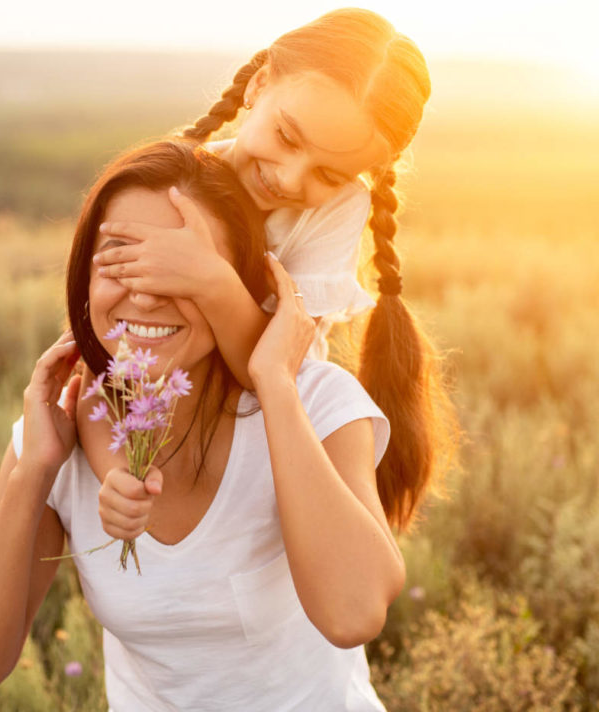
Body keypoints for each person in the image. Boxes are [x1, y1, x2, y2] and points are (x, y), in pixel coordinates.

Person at [0, 140, 451, 710]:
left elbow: (355, 613)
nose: (146, 294)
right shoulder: (57, 434)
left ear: (239, 286)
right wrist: (35, 472)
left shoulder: (315, 404)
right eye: (121, 258)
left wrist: (274, 383)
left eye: (184, 269)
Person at [87, 8, 446, 528]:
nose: (291, 180)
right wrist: (115, 464)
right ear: (258, 85)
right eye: (287, 137)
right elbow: (112, 333)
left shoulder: (336, 208)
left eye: (328, 172)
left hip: (271, 438)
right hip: (163, 429)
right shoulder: (171, 183)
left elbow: (274, 369)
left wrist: (209, 280)